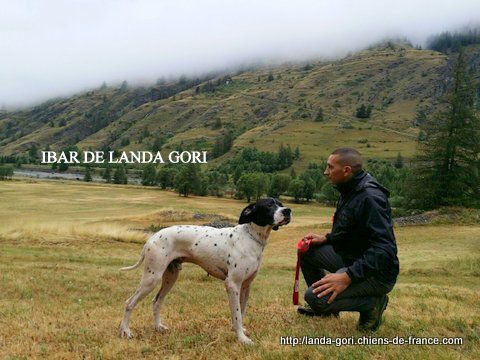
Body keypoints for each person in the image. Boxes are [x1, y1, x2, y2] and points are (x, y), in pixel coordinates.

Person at [297, 147, 399, 331]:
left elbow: (385, 250)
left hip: (376, 274)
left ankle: (373, 303)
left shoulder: (370, 198)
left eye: (330, 167)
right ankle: (329, 308)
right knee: (307, 249)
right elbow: (351, 230)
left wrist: (347, 276)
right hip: (352, 258)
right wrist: (326, 238)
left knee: (313, 297)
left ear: (346, 170)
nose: (325, 172)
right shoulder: (350, 189)